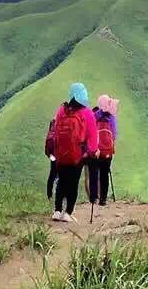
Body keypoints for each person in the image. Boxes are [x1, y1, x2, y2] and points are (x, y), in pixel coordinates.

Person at [47, 82, 99, 222]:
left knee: (61, 181)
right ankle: (68, 213)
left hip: (60, 154)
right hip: (78, 155)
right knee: (73, 183)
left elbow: (55, 131)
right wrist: (91, 152)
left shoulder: (61, 110)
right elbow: (93, 136)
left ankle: (57, 211)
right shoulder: (87, 113)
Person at [88, 94, 119, 208]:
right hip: (107, 152)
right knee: (104, 174)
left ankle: (93, 197)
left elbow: (89, 133)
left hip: (96, 151)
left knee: (94, 173)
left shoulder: (94, 116)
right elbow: (115, 134)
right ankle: (103, 199)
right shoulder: (111, 118)